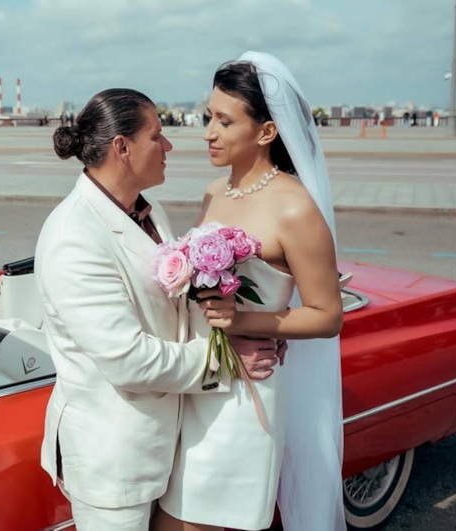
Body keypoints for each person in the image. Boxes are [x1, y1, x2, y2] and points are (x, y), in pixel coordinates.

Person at [34, 88, 283, 531]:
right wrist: (228, 361)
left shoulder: (150, 212)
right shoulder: (74, 237)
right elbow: (128, 359)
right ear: (122, 148)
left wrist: (248, 326)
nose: (168, 146)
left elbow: (173, 310)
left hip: (168, 440)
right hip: (115, 461)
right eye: (156, 136)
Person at [154, 52, 345, 531]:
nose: (208, 133)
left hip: (245, 396)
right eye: (208, 117)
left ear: (266, 132)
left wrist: (245, 322)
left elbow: (327, 314)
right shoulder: (214, 192)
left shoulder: (295, 208)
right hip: (198, 381)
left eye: (224, 121)